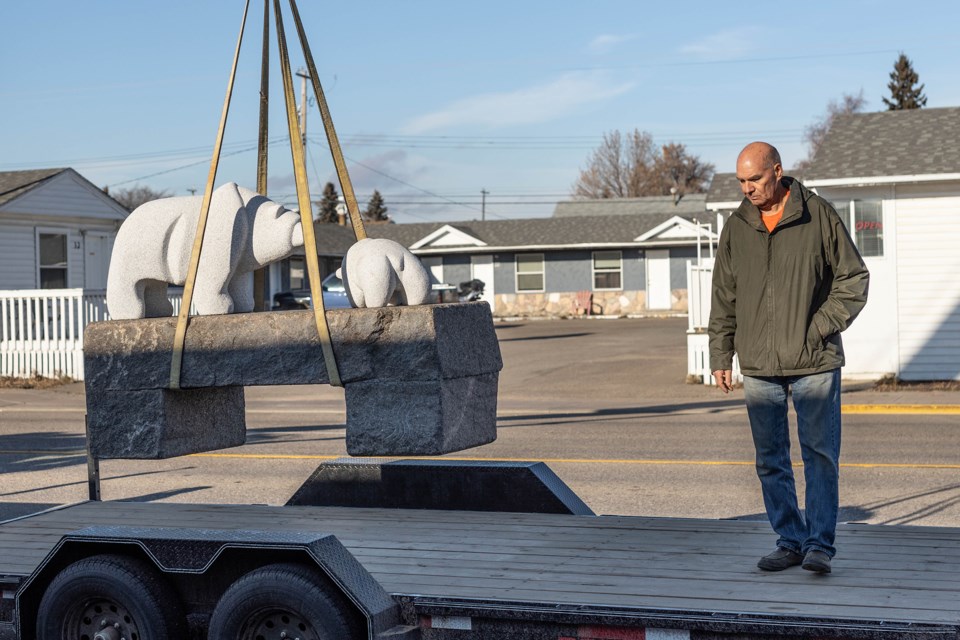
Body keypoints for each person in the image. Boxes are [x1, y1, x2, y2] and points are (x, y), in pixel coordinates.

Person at [709, 142, 869, 574]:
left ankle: (819, 544)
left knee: (819, 455)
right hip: (759, 366)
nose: (748, 189)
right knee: (770, 460)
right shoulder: (737, 227)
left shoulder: (818, 215)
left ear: (777, 171)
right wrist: (721, 352)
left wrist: (819, 327)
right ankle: (791, 538)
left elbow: (853, 279)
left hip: (814, 363)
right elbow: (724, 295)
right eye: (741, 181)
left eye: (755, 180)